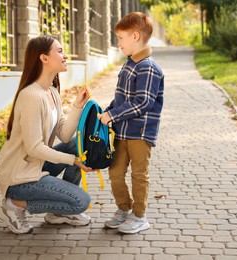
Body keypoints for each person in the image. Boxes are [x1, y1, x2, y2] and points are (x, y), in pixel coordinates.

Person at [0, 35, 94, 234]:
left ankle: (57, 213)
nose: (65, 56)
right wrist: (73, 160)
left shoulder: (52, 92)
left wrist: (78, 106)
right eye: (60, 51)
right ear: (44, 58)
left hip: (35, 166)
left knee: (77, 144)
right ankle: (13, 204)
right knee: (81, 201)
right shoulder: (31, 95)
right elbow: (34, 147)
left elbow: (64, 135)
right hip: (19, 178)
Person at [98, 12, 164, 234]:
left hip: (140, 133)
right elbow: (121, 99)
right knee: (115, 172)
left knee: (138, 174)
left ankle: (139, 215)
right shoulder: (129, 65)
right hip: (121, 132)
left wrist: (113, 115)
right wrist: (106, 113)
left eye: (120, 38)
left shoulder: (148, 67)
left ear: (135, 36)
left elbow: (143, 102)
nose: (118, 44)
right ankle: (123, 209)